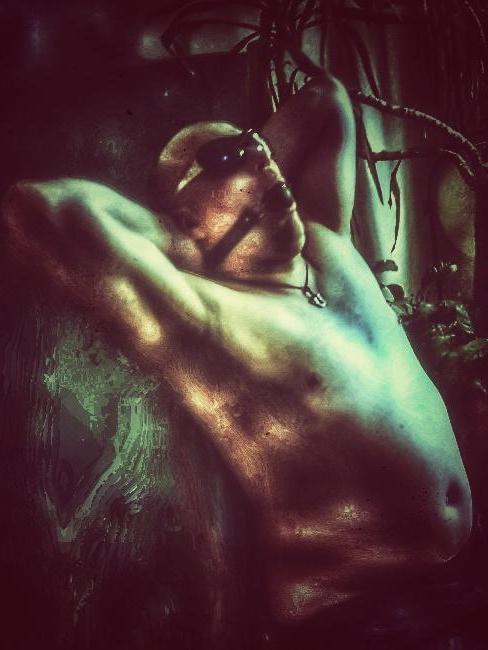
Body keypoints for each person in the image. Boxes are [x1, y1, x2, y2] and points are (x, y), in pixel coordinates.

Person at [2, 73, 472, 648]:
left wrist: (241, 162)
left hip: (458, 581)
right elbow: (37, 207)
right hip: (364, 614)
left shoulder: (327, 241)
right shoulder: (204, 318)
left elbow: (325, 99)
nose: (264, 159)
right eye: (226, 159)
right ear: (189, 219)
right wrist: (179, 242)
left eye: (258, 146)